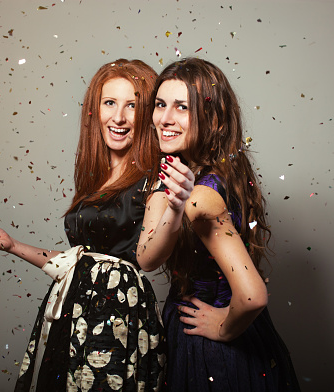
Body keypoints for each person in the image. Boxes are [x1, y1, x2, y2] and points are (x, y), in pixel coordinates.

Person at [0, 59, 179, 392]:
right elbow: (77, 263)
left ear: (148, 113)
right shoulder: (96, 179)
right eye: (109, 103)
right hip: (71, 310)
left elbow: (149, 258)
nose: (118, 117)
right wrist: (12, 245)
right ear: (96, 110)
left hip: (116, 319)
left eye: (132, 105)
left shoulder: (157, 178)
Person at [137, 58, 301, 391]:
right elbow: (150, 255)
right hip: (235, 339)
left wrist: (223, 329)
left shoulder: (203, 196)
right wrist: (170, 197)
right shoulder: (223, 174)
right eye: (160, 105)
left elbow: (252, 296)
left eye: (181, 107)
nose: (164, 119)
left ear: (212, 119)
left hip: (213, 350)